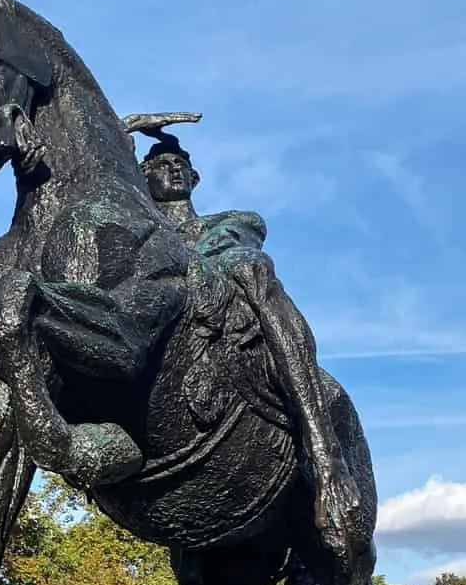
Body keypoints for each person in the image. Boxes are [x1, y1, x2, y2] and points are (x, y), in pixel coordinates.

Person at [124, 114, 361, 554]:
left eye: (180, 163)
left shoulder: (231, 224)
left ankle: (320, 446)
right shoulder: (132, 235)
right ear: (143, 177)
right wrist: (121, 133)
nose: (173, 168)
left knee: (252, 267)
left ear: (194, 178)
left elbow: (243, 240)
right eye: (161, 164)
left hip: (230, 323)